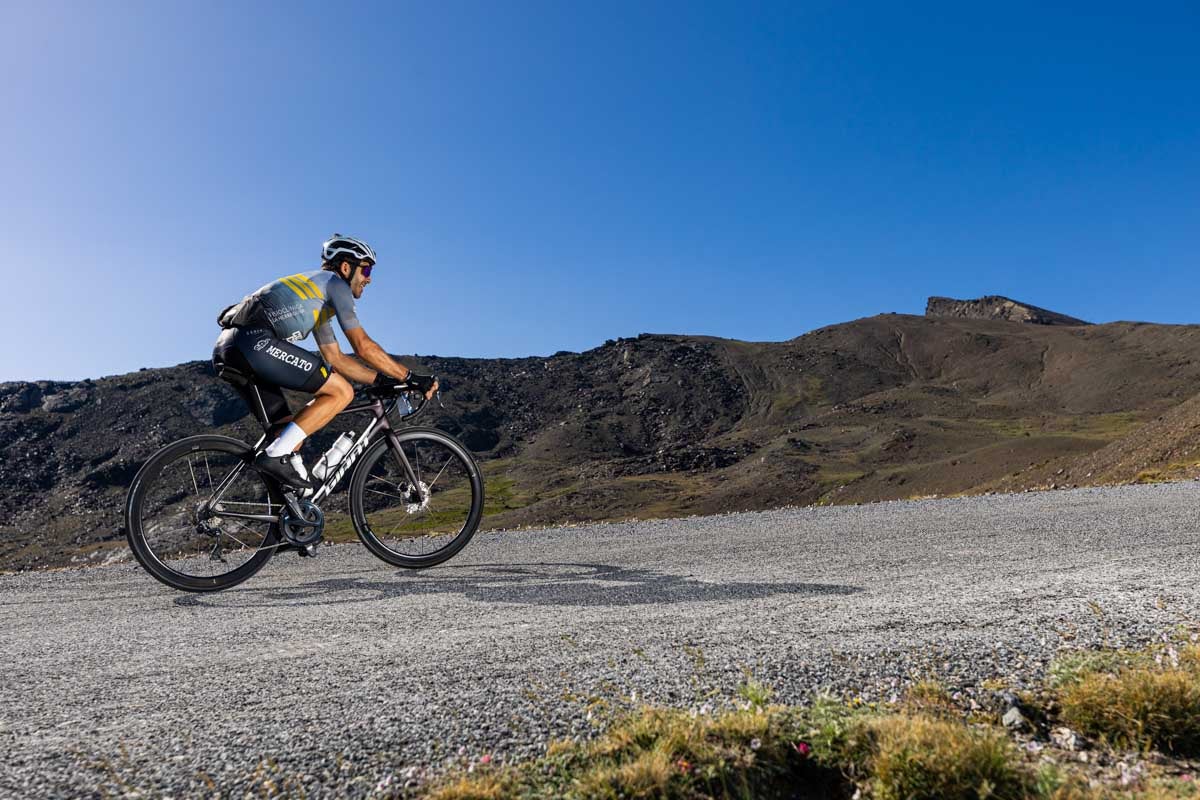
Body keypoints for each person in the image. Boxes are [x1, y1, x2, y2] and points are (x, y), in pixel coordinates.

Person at [212, 234, 437, 489]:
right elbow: (362, 346)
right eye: (366, 269)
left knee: (287, 436)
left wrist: (382, 380)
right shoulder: (335, 284)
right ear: (345, 267)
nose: (369, 278)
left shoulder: (317, 299)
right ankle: (275, 457)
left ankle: (286, 521)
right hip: (254, 343)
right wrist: (409, 377)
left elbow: (336, 358)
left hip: (230, 347)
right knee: (341, 391)